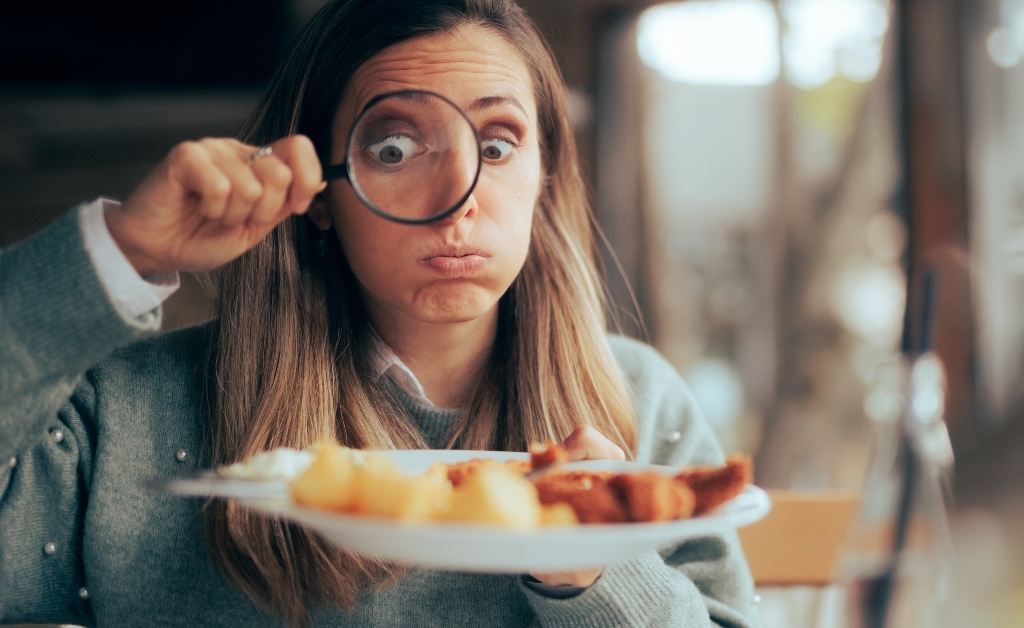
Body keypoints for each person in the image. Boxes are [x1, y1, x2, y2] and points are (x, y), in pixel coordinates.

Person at [0, 0, 758, 625]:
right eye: (394, 148)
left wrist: (598, 574)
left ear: (545, 177)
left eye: (497, 146)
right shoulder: (130, 410)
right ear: (322, 195)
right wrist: (117, 255)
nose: (456, 202)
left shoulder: (639, 399)